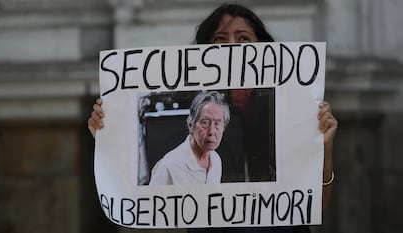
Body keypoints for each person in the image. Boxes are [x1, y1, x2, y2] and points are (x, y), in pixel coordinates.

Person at [88, 3, 338, 232]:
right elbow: (147, 202)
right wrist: (110, 136)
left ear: (265, 51)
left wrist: (323, 146)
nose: (232, 47)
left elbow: (319, 203)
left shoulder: (290, 109)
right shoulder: (189, 137)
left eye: (243, 39)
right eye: (220, 39)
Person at [149, 91, 230, 185]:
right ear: (191, 125)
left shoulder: (215, 160)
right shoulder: (168, 167)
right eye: (205, 122)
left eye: (217, 124)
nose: (212, 131)